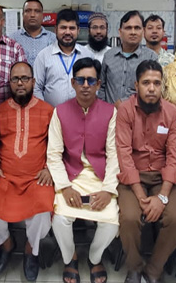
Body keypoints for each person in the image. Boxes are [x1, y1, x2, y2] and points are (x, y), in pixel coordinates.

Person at [0, 61, 55, 281]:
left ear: (33, 81)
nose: (20, 83)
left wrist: (49, 168)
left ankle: (31, 249)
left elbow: (57, 144)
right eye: (15, 79)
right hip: (5, 176)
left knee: (44, 205)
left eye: (24, 79)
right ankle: (6, 244)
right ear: (10, 83)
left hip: (36, 177)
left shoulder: (49, 111)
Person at [47, 57, 119, 283]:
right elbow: (54, 155)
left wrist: (108, 190)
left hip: (101, 177)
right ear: (73, 83)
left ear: (98, 84)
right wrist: (65, 187)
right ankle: (70, 258)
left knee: (111, 222)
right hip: (71, 176)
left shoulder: (110, 112)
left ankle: (94, 258)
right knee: (60, 219)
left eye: (91, 80)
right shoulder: (60, 112)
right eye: (80, 80)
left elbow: (114, 155)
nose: (85, 85)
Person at [116, 60, 176, 283]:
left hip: (162, 177)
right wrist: (141, 197)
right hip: (132, 177)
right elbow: (124, 155)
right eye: (146, 83)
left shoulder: (171, 111)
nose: (152, 88)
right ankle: (135, 267)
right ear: (136, 85)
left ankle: (154, 270)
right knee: (129, 218)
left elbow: (174, 156)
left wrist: (162, 197)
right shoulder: (125, 110)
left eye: (157, 83)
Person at [33, 9, 94, 107]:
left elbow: (94, 86)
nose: (67, 32)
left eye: (72, 28)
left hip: (82, 113)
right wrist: (45, 110)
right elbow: (36, 88)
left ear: (78, 30)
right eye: (63, 28)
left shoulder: (87, 55)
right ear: (55, 29)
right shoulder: (43, 56)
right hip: (52, 114)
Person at [100, 11, 157, 107]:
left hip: (139, 113)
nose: (133, 32)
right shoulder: (109, 56)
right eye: (128, 28)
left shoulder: (151, 57)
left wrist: (125, 102)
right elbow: (101, 86)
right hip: (110, 113)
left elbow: (152, 88)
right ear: (120, 32)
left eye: (137, 28)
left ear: (143, 31)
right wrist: (103, 108)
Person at [10, 0, 56, 66]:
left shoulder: (53, 38)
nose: (32, 15)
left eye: (37, 11)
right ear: (23, 15)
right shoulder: (13, 39)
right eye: (28, 11)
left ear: (42, 15)